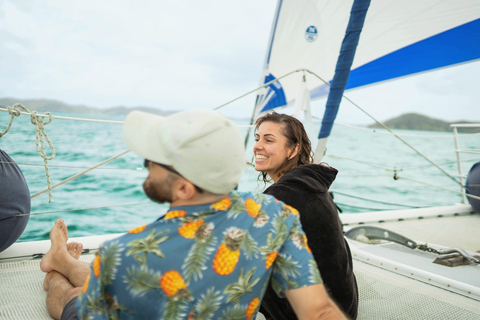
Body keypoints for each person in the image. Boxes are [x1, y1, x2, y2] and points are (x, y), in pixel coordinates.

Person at [40, 109, 347, 320]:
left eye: (153, 160)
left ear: (185, 187)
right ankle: (62, 262)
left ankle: (57, 270)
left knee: (72, 298)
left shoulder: (121, 253)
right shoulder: (276, 216)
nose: (146, 164)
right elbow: (318, 311)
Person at [253, 112, 358, 320]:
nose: (257, 146)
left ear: (293, 149)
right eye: (257, 138)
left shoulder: (284, 196)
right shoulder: (312, 186)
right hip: (342, 308)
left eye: (269, 140)